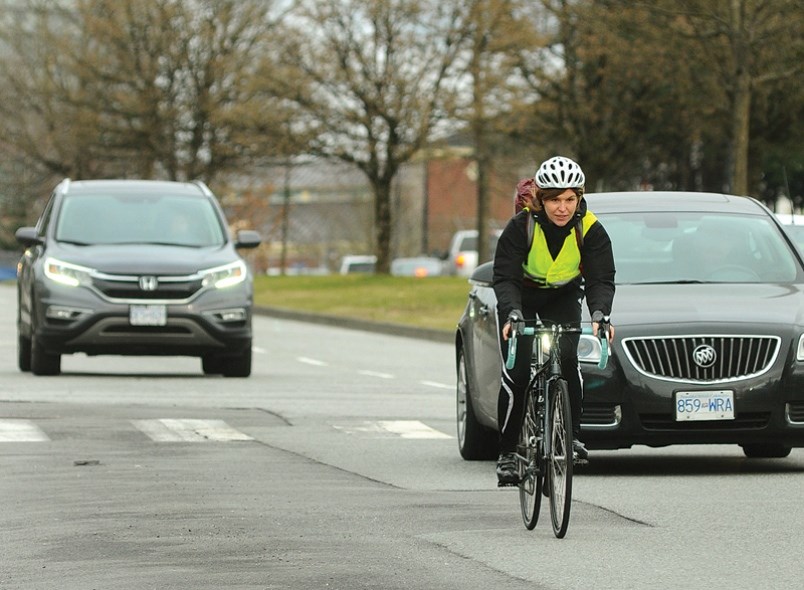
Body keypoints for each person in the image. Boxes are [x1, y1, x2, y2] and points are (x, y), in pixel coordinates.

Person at [493, 156, 616, 485]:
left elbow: (601, 279)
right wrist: (512, 313)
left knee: (566, 358)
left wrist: (601, 315)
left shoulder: (590, 228)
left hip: (562, 296)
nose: (562, 208)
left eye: (569, 199)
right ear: (541, 199)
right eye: (554, 200)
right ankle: (507, 454)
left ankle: (572, 436)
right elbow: (504, 277)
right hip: (521, 296)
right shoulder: (522, 227)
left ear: (579, 198)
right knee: (517, 373)